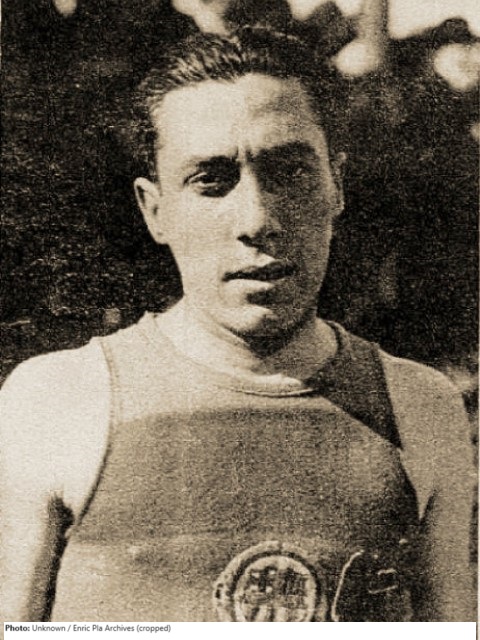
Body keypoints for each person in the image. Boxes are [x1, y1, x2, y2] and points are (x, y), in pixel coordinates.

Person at [0, 26, 475, 623]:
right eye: (211, 180)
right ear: (155, 210)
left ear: (337, 187)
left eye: (290, 172)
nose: (257, 219)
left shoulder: (419, 406)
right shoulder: (59, 399)